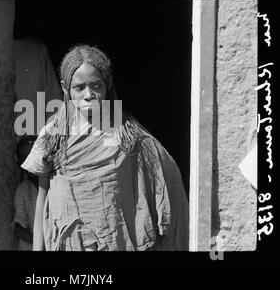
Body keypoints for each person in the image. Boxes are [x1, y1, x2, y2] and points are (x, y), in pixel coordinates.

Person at [21, 45, 188, 251]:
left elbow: (165, 178)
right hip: (69, 244)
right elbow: (43, 195)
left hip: (116, 243)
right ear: (65, 88)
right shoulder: (53, 135)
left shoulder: (126, 134)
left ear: (107, 86)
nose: (89, 94)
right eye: (79, 87)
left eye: (96, 86)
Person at [12, 136, 39, 250]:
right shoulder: (23, 190)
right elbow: (19, 228)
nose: (29, 162)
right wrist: (40, 244)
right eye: (24, 158)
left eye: (32, 156)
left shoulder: (56, 184)